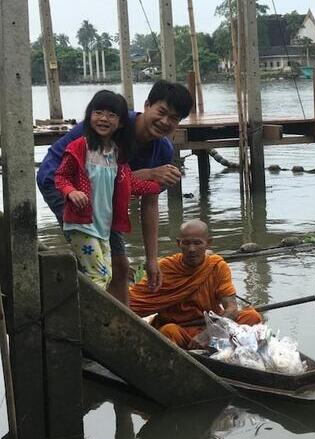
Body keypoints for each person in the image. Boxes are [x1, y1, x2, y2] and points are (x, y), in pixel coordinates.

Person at [38, 80, 193, 303]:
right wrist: (149, 173)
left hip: (100, 194)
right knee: (95, 266)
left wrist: (151, 259)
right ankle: (81, 315)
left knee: (120, 266)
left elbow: (149, 204)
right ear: (147, 105)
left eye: (174, 118)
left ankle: (122, 325)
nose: (164, 121)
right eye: (161, 112)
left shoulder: (163, 150)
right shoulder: (115, 123)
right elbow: (93, 175)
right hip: (63, 182)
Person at [54, 91, 162, 288]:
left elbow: (130, 183)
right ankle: (90, 317)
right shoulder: (79, 147)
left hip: (103, 227)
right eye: (98, 112)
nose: (104, 118)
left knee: (106, 273)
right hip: (81, 224)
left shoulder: (116, 154)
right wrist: (71, 192)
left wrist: (157, 185)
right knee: (98, 277)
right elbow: (61, 176)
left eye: (111, 115)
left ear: (121, 123)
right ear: (89, 116)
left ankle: (84, 311)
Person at [129, 219, 262, 349]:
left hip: (211, 327)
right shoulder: (164, 268)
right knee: (169, 331)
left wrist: (207, 334)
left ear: (208, 243)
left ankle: (217, 344)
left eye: (197, 243)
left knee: (252, 316)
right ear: (178, 243)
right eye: (186, 243)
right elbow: (133, 301)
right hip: (180, 329)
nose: (192, 249)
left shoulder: (217, 266)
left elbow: (232, 309)